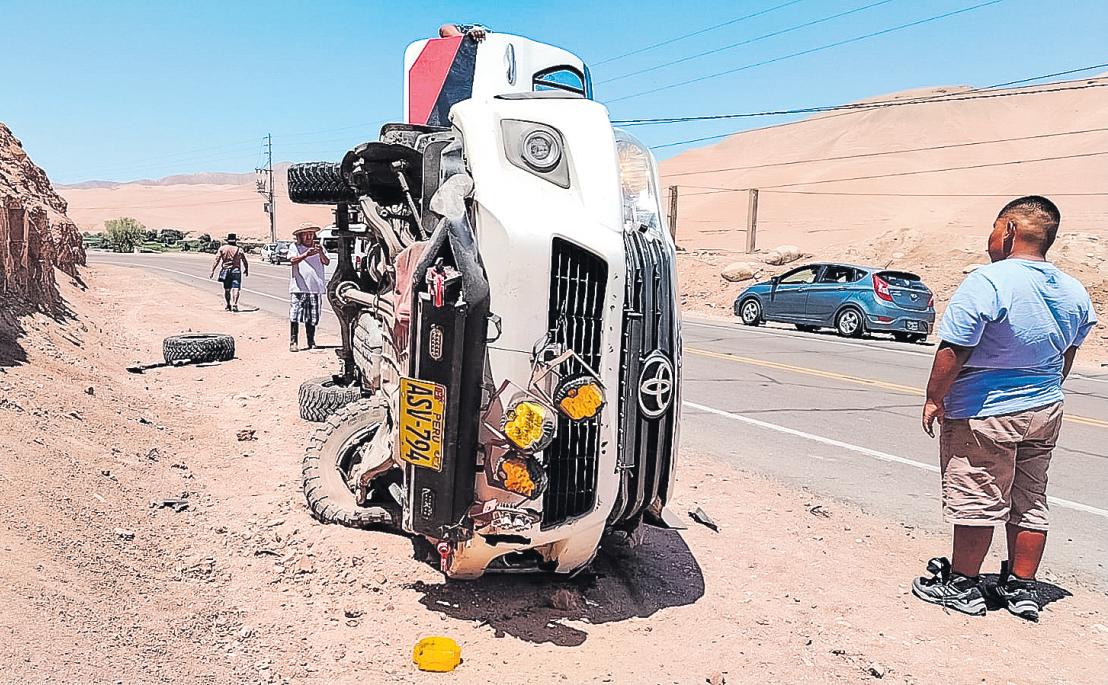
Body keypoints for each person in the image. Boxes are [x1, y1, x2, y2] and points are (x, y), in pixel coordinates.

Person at [915, 196, 1097, 621]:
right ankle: (1021, 587)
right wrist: (1044, 388)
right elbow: (1068, 352)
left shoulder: (988, 281)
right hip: (1044, 408)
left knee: (977, 496)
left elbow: (955, 348)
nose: (990, 238)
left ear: (1010, 230)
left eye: (994, 228)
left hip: (985, 410)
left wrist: (934, 398)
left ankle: (963, 585)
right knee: (1030, 497)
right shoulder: (1073, 290)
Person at [288, 224, 330, 352]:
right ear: (300, 236)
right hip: (299, 287)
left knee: (312, 316)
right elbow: (292, 261)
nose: (309, 237)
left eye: (311, 234)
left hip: (315, 288)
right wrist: (306, 254)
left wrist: (320, 252)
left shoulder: (319, 247)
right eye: (306, 234)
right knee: (295, 315)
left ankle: (311, 341)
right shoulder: (295, 247)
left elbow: (326, 262)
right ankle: (293, 342)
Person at [209, 233, 248, 312]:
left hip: (226, 271)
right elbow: (244, 260)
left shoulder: (222, 249)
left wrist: (212, 270)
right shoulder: (239, 250)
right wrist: (246, 269)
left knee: (227, 289)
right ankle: (235, 304)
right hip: (236, 271)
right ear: (235, 241)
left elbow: (217, 260)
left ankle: (228, 305)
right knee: (236, 288)